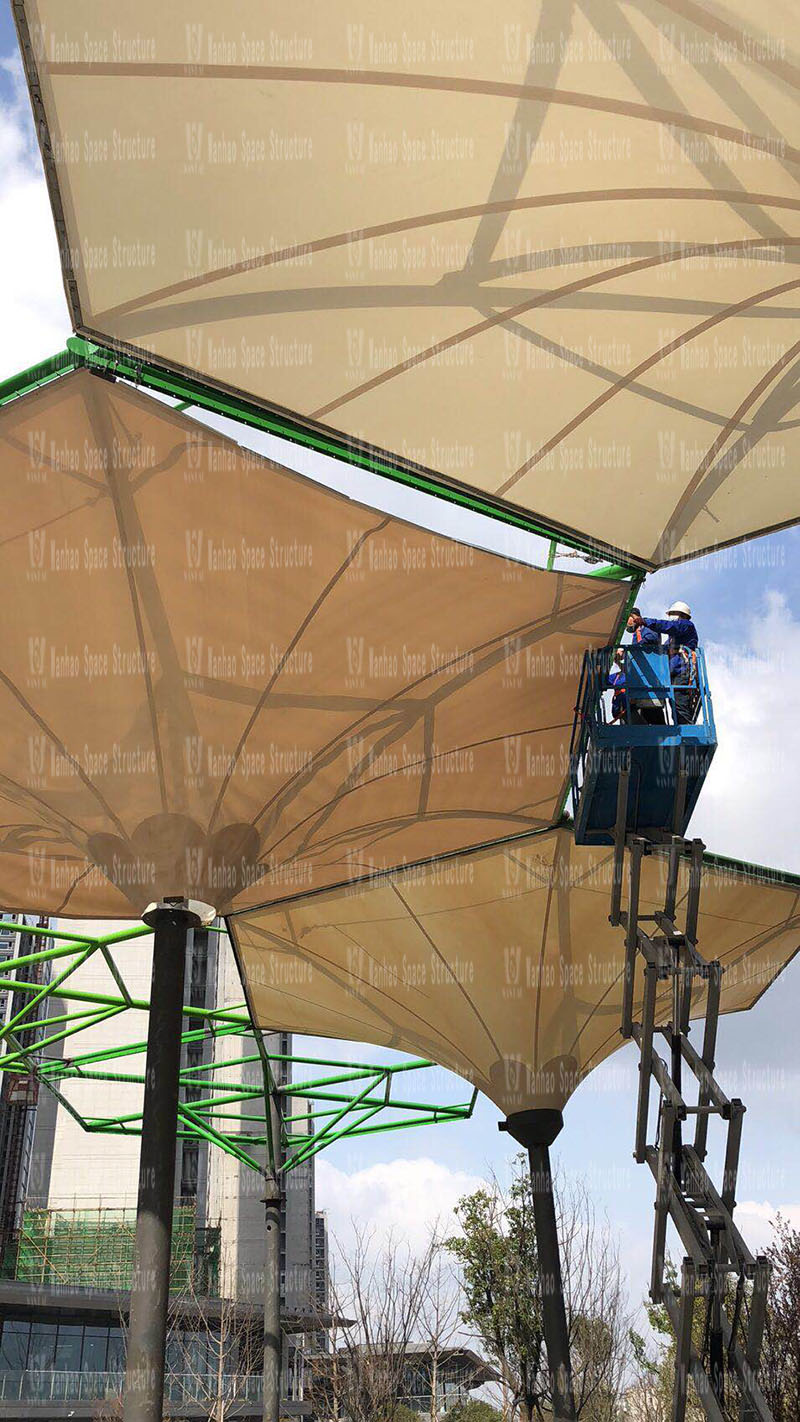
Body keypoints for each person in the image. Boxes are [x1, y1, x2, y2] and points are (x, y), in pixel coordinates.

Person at [628, 601, 698, 723]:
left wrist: (646, 622)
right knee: (675, 705)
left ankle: (688, 736)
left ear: (680, 614)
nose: (671, 617)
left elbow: (667, 626)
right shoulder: (673, 640)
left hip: (682, 671)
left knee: (679, 705)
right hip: (675, 672)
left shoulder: (686, 625)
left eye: (672, 614)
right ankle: (683, 732)